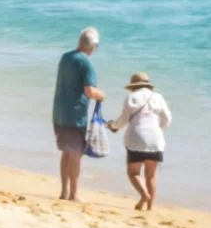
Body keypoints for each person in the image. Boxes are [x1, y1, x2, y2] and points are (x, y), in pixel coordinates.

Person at [52, 27, 105, 202]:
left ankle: (63, 192)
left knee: (66, 153)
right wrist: (101, 95)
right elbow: (89, 91)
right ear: (93, 45)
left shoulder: (66, 57)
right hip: (75, 116)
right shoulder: (86, 62)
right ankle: (74, 195)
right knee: (75, 154)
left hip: (59, 112)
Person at [108, 71, 172, 211]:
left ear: (133, 86)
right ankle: (149, 208)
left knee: (133, 173)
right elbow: (167, 120)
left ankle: (144, 195)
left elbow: (123, 119)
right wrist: (156, 127)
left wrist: (112, 126)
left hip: (135, 138)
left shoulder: (131, 97)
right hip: (156, 139)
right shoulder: (158, 97)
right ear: (148, 85)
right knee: (151, 175)